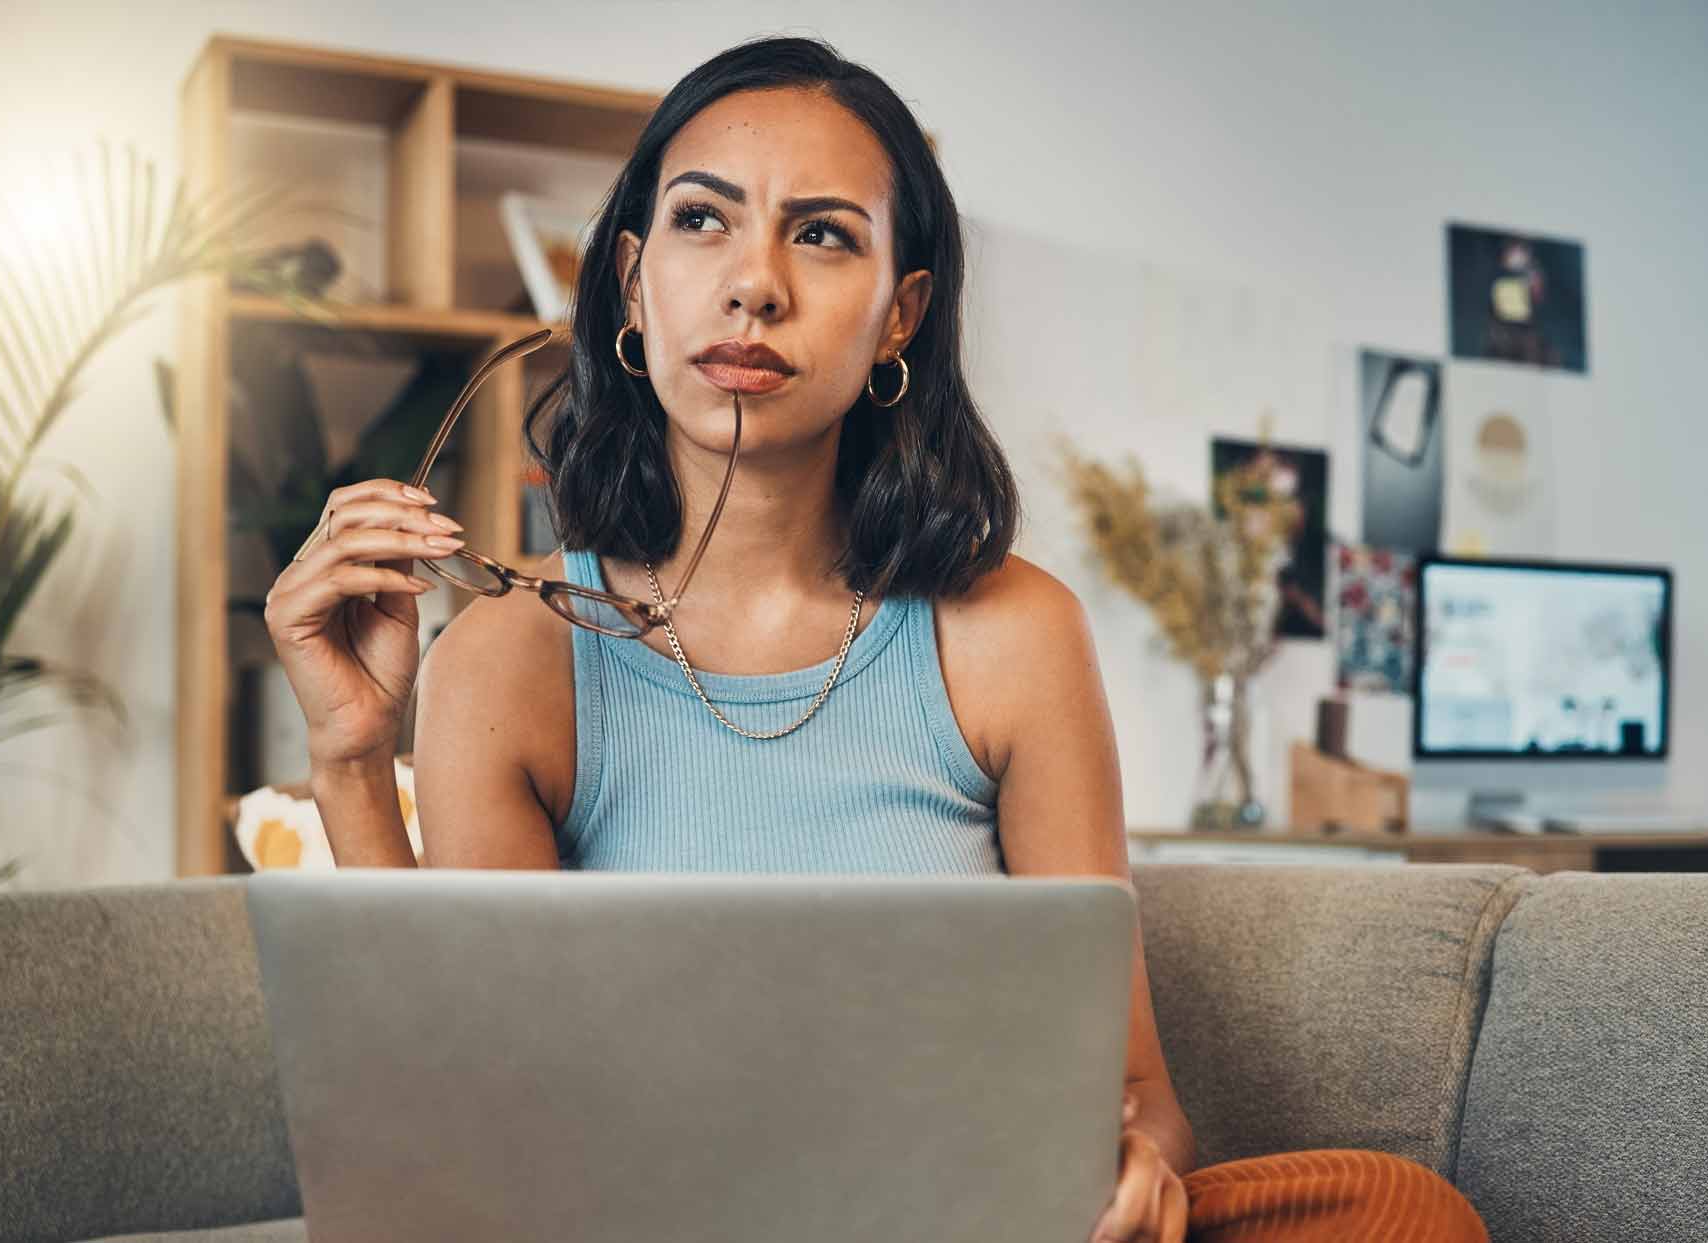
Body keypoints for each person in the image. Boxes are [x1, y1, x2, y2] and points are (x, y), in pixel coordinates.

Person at [262, 35, 1488, 1243]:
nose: (754, 283)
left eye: (822, 235)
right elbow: (478, 1131)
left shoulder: (1011, 634)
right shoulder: (511, 654)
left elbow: (1139, 1100)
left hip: (972, 1222)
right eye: (702, 220)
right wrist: (354, 762)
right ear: (632, 282)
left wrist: (1132, 1173)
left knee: (1398, 1213)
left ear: (900, 314)